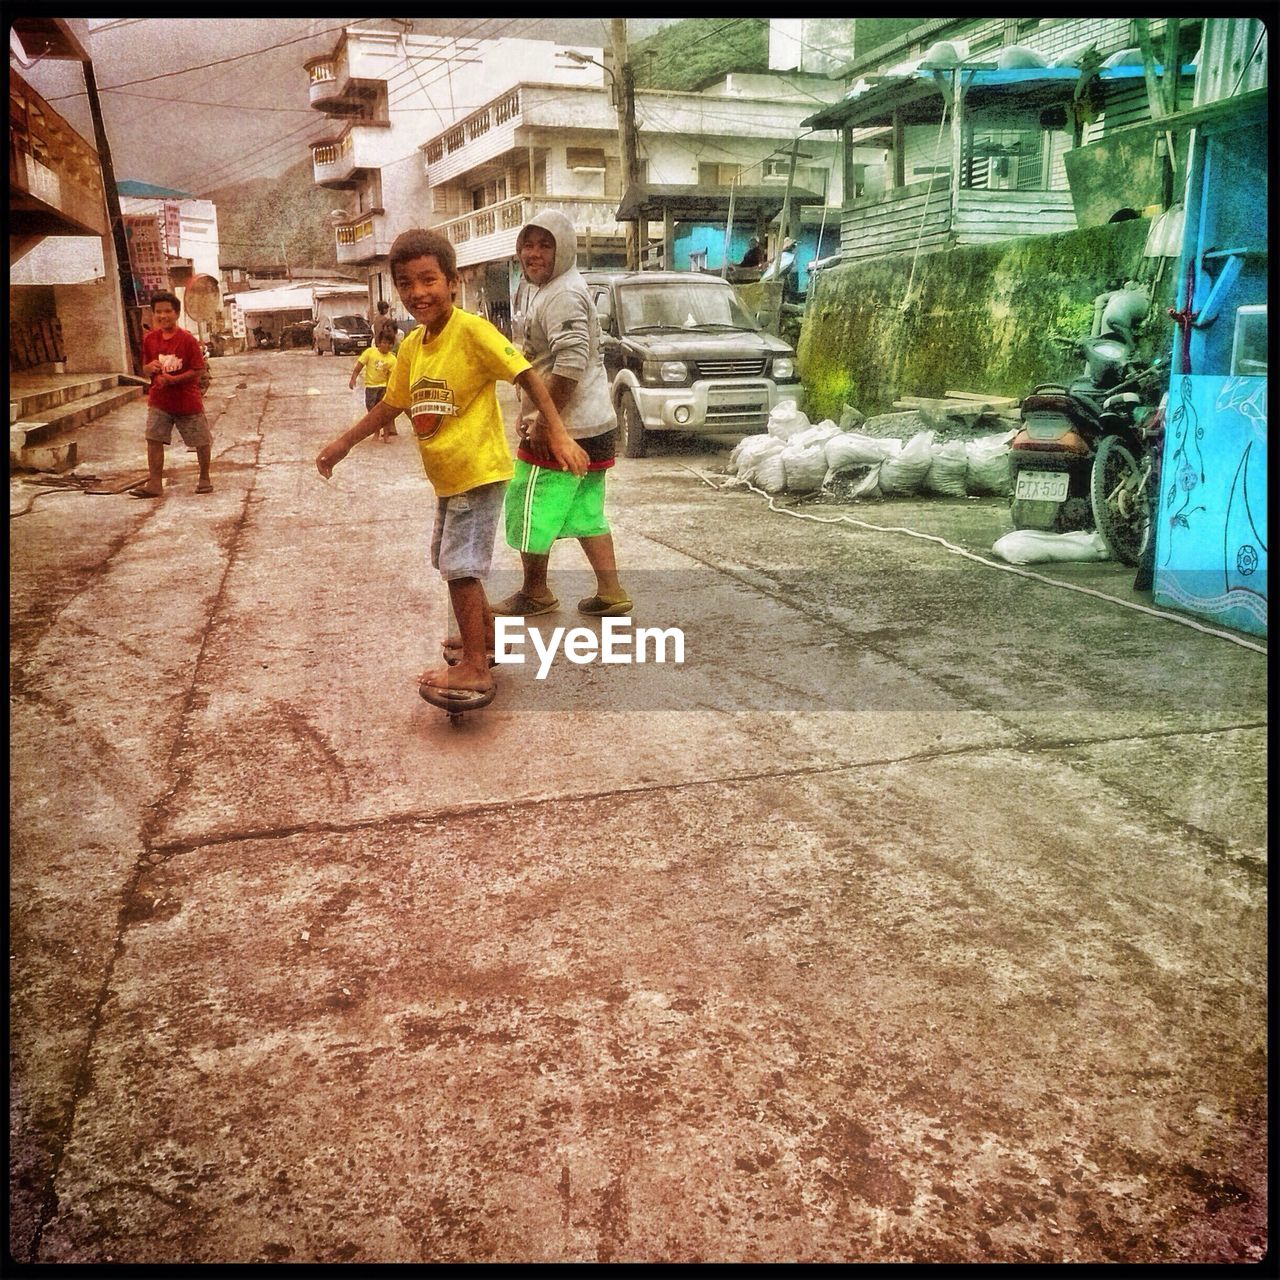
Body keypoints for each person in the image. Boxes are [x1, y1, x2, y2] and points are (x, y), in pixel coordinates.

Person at [315, 228, 588, 704]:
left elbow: (525, 374)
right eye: (406, 284)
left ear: (452, 281)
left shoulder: (472, 331)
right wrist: (343, 444)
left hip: (477, 472)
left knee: (460, 568)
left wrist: (558, 431)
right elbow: (390, 405)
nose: (418, 293)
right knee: (450, 561)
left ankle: (476, 667)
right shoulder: (413, 346)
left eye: (428, 280)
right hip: (450, 478)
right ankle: (486, 637)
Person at [500, 209, 631, 620]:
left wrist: (543, 420)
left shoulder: (562, 293)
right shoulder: (548, 287)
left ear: (565, 249)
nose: (533, 253)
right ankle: (611, 593)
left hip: (566, 427)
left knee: (528, 501)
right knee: (584, 510)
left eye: (545, 244)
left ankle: (534, 592)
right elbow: (547, 352)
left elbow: (570, 364)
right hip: (594, 425)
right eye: (528, 244)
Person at [129, 290, 213, 498]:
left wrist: (174, 380)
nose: (163, 316)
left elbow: (198, 370)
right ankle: (155, 484)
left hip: (187, 400)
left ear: (176, 313)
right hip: (159, 400)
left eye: (168, 311)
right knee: (153, 439)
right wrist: (150, 369)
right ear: (153, 314)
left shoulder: (187, 340)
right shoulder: (150, 340)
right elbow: (145, 368)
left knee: (201, 441)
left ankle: (204, 478)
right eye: (158, 312)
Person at [349, 322, 398, 439]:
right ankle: (376, 432)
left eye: (390, 344)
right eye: (384, 343)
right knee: (372, 412)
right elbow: (359, 365)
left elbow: (392, 377)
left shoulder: (392, 359)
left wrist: (391, 390)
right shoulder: (370, 353)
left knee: (384, 413)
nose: (387, 346)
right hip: (371, 387)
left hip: (383, 388)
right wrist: (353, 378)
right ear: (379, 343)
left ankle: (386, 435)